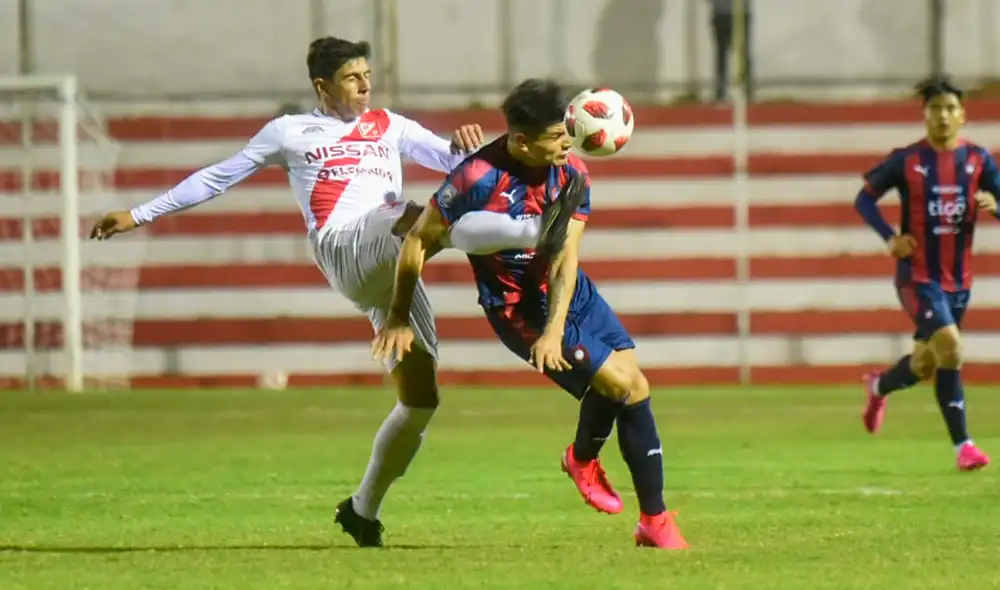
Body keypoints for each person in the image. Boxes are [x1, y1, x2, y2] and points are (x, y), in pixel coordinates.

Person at [89, 37, 573, 547]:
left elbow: (460, 166)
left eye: (367, 74)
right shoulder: (290, 132)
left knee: (421, 400)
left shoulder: (389, 125)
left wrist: (473, 145)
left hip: (390, 262)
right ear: (322, 86)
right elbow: (219, 176)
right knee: (418, 217)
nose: (365, 85)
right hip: (345, 244)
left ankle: (363, 509)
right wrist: (139, 213)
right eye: (352, 78)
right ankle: (536, 233)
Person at [372, 78, 689, 550]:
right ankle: (636, 503)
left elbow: (565, 257)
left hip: (568, 292)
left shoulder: (573, 174)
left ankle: (638, 509)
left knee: (635, 386)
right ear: (522, 140)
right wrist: (398, 316)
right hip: (518, 308)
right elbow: (419, 238)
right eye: (557, 136)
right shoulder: (474, 179)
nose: (568, 142)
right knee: (621, 386)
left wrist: (557, 329)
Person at [855, 76, 994, 471]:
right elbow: (864, 198)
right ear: (925, 115)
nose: (943, 116)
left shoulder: (979, 160)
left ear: (963, 115)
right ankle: (963, 447)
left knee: (926, 365)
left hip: (959, 282)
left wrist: (993, 204)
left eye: (951, 109)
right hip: (917, 278)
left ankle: (879, 385)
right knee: (951, 346)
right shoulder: (907, 160)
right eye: (936, 109)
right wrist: (889, 236)